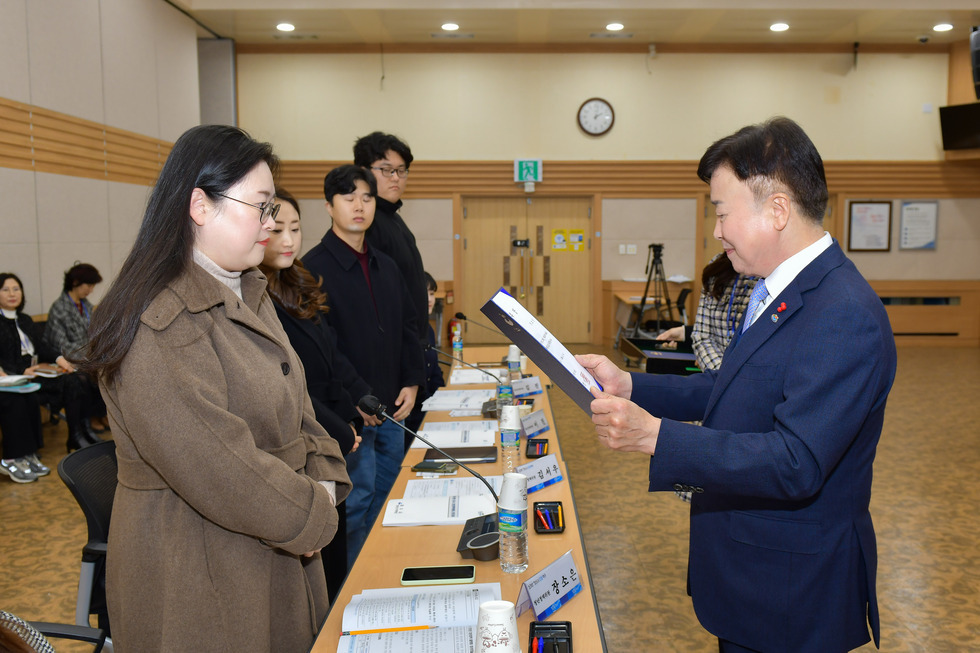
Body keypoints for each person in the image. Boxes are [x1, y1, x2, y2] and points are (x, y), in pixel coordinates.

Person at [577, 117, 896, 653]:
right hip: (753, 572)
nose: (717, 231)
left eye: (723, 213)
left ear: (777, 210)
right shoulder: (773, 289)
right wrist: (630, 386)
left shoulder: (843, 312)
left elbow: (796, 462)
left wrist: (657, 436)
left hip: (792, 592)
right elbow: (733, 387)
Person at [75, 125, 351, 652]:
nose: (271, 223)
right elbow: (220, 466)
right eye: (261, 207)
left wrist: (325, 481)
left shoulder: (249, 289)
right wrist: (313, 511)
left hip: (275, 543)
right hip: (201, 571)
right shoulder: (159, 319)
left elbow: (300, 411)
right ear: (200, 206)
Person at [302, 164, 424, 567]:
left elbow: (408, 326)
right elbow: (325, 349)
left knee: (390, 501)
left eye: (367, 198)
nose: (359, 206)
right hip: (350, 415)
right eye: (348, 197)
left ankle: (381, 577)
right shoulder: (312, 269)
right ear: (328, 206)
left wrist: (412, 381)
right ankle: (352, 590)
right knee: (355, 506)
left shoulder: (385, 264)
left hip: (394, 407)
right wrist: (358, 396)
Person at [258, 187, 368, 602]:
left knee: (336, 547)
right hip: (300, 438)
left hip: (329, 433)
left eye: (296, 228)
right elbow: (287, 385)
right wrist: (337, 428)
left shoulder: (297, 280)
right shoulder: (253, 295)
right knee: (316, 564)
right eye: (277, 230)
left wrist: (354, 404)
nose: (288, 240)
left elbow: (331, 355)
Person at [657, 253, 758, 372]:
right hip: (716, 372)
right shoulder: (717, 265)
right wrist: (714, 368)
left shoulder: (766, 273)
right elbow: (703, 336)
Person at [43, 262, 109, 435]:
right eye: (88, 285)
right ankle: (91, 417)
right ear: (75, 282)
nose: (91, 290)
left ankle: (102, 413)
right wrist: (90, 355)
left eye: (93, 286)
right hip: (67, 358)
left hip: (87, 355)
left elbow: (95, 334)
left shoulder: (86, 305)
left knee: (108, 367)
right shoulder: (59, 308)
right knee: (89, 374)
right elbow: (60, 345)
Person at [0, 273, 50, 482]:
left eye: (16, 289)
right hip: (6, 380)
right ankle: (11, 459)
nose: (12, 294)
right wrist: (15, 374)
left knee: (29, 396)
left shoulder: (25, 320)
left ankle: (28, 453)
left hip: (16, 379)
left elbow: (41, 348)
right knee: (14, 399)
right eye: (5, 289)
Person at [405, 271, 446, 434]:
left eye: (432, 294)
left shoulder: (428, 329)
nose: (429, 299)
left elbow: (434, 370)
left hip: (430, 406)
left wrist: (444, 397)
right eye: (424, 293)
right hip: (411, 413)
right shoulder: (406, 332)